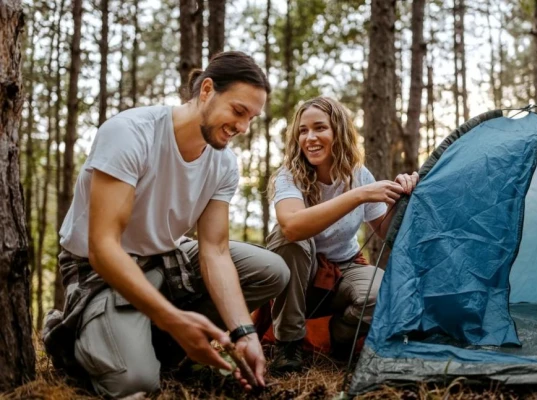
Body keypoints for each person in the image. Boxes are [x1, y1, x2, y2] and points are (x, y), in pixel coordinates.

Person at [42, 51, 290, 398]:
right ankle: (85, 335)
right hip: (100, 270)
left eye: (252, 118)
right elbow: (103, 247)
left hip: (166, 257)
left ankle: (159, 339)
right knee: (135, 382)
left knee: (271, 270)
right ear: (206, 90)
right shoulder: (130, 133)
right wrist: (175, 318)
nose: (243, 127)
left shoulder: (225, 163)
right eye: (238, 111)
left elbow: (215, 251)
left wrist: (244, 333)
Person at [265, 96, 419, 374]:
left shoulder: (359, 175)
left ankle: (341, 335)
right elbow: (292, 226)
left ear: (338, 131)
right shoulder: (288, 176)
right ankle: (289, 346)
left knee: (384, 293)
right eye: (303, 130)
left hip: (345, 267)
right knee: (290, 240)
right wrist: (358, 196)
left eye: (320, 128)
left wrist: (403, 199)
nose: (310, 137)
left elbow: (386, 233)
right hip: (299, 277)